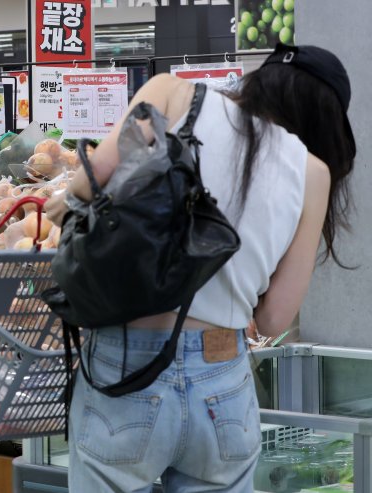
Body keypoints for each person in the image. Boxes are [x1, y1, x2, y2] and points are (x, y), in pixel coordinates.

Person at [46, 44, 355, 492]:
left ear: (259, 81)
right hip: (222, 378)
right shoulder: (313, 174)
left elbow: (88, 179)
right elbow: (274, 318)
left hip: (126, 361)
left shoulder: (174, 95)